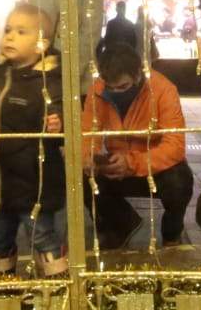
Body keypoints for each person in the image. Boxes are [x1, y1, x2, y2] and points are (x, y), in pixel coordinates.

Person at [82, 18, 192, 250]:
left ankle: (172, 233)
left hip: (155, 167)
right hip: (116, 166)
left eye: (122, 87)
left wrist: (133, 162)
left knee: (180, 181)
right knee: (79, 177)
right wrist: (89, 158)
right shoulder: (99, 89)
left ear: (138, 77)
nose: (114, 92)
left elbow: (175, 145)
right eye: (109, 86)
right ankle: (120, 224)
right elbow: (87, 133)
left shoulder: (163, 89)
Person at [0, 2, 68, 276]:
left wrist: (56, 120)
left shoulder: (48, 80)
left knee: (41, 235)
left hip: (34, 182)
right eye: (7, 30)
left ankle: (57, 280)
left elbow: (59, 106)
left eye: (21, 31)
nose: (10, 37)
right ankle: (4, 282)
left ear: (41, 44)